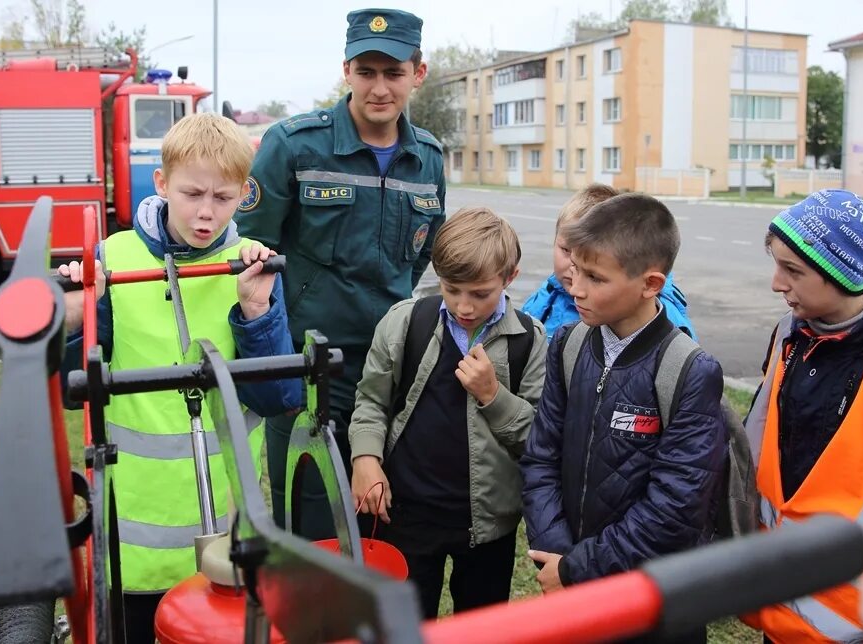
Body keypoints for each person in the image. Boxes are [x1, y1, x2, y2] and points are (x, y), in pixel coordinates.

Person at [57, 112, 301, 643]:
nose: (207, 213)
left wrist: (256, 313)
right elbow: (74, 390)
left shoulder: (250, 267)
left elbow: (280, 396)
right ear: (162, 184)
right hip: (132, 545)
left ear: (244, 193)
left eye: (224, 197)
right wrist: (78, 315)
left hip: (225, 541)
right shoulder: (113, 261)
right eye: (192, 194)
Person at [234, 8, 446, 539]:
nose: (380, 88)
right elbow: (254, 251)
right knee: (310, 526)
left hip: (391, 372)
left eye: (393, 73)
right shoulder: (295, 146)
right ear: (346, 70)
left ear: (417, 74)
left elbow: (421, 256)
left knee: (380, 518)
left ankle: (369, 621)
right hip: (308, 371)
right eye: (366, 71)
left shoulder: (429, 160)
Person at [520, 193, 726, 643]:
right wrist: (558, 557)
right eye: (575, 271)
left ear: (651, 284)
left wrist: (579, 568)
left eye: (595, 278)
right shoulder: (569, 345)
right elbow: (540, 458)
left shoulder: (689, 371)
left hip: (652, 602)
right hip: (570, 591)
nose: (576, 289)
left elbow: (675, 507)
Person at [348, 208, 547, 618]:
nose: (464, 306)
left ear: (509, 277)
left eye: (480, 293)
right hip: (406, 514)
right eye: (452, 289)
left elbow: (539, 438)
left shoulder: (529, 341)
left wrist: (493, 394)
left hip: (488, 523)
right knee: (403, 624)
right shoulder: (406, 323)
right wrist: (366, 459)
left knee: (480, 625)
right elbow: (371, 401)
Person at [740, 190, 863, 643]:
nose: (777, 283)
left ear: (846, 273)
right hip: (780, 595)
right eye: (776, 264)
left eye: (793, 270)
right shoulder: (788, 335)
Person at [522, 183, 696, 343]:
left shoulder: (671, 334)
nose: (573, 271)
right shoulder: (546, 296)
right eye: (566, 251)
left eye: (594, 276)